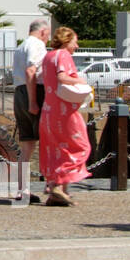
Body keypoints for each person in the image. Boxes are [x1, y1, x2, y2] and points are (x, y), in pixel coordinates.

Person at [38, 26, 90, 205]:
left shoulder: (47, 56)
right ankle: (57, 186)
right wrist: (81, 81)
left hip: (48, 111)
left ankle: (55, 190)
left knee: (55, 149)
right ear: (67, 41)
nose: (77, 46)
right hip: (64, 112)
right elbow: (63, 77)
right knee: (80, 147)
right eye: (75, 42)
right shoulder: (63, 55)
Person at [11, 18, 49, 204]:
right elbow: (31, 71)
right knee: (47, 140)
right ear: (42, 32)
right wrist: (33, 101)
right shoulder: (37, 45)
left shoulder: (21, 46)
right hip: (33, 91)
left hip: (19, 91)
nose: (48, 39)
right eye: (48, 35)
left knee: (26, 145)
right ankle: (51, 184)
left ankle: (22, 189)